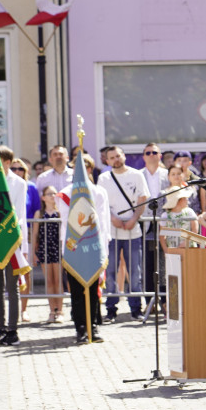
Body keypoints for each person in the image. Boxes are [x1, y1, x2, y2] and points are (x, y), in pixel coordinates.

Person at [58, 154, 111, 343]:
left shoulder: (99, 192)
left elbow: (104, 222)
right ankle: (80, 327)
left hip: (94, 245)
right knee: (77, 290)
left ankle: (93, 327)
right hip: (74, 247)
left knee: (93, 287)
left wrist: (104, 246)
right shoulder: (64, 193)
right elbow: (67, 222)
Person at [98, 145, 149, 323]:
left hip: (132, 231)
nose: (115, 160)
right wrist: (113, 219)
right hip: (111, 232)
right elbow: (100, 203)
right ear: (107, 160)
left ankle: (136, 309)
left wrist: (135, 217)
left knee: (134, 272)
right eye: (111, 158)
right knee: (110, 271)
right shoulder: (103, 178)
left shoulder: (136, 175)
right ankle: (111, 309)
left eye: (117, 156)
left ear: (123, 156)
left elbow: (143, 199)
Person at [0, 146, 30, 347]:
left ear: (7, 162)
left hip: (11, 237)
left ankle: (13, 329)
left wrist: (18, 239)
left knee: (12, 286)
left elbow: (20, 212)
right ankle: (1, 327)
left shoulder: (19, 183)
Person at [141, 142, 168, 313]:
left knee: (163, 264)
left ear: (160, 155)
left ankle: (165, 301)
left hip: (163, 221)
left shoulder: (167, 174)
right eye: (148, 152)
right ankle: (149, 301)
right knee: (147, 264)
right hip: (145, 223)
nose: (151, 155)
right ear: (144, 156)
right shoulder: (138, 175)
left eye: (154, 152)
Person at [12, 158, 39, 323]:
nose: (16, 172)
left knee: (25, 271)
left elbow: (36, 211)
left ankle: (23, 309)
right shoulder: (7, 185)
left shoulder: (31, 187)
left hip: (26, 231)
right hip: (7, 231)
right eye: (13, 169)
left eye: (20, 169)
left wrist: (33, 237)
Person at [33, 185, 64, 324]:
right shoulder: (39, 214)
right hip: (45, 249)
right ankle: (52, 310)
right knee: (49, 281)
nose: (52, 196)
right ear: (43, 197)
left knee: (58, 280)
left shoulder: (60, 212)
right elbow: (34, 235)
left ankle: (60, 310)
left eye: (54, 193)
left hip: (57, 248)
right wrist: (34, 252)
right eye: (49, 194)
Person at [159, 187, 198, 251]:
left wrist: (186, 242)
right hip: (173, 250)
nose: (187, 200)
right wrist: (166, 250)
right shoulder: (165, 216)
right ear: (178, 201)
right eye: (184, 198)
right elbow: (162, 235)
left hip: (190, 249)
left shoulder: (189, 212)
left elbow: (195, 229)